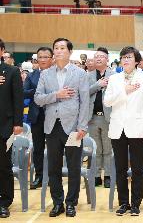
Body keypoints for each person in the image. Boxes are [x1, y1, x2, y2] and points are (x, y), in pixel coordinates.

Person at [34, 38, 89, 217]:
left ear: (69, 52)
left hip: (73, 127)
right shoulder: (45, 74)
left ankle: (71, 203)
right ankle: (58, 203)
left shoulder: (80, 74)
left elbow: (85, 102)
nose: (58, 51)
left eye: (62, 48)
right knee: (54, 168)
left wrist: (82, 126)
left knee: (74, 167)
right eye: (56, 48)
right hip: (51, 126)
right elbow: (38, 98)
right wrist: (56, 95)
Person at [103, 46, 143, 216]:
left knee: (137, 169)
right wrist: (125, 91)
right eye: (123, 57)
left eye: (129, 57)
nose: (125, 60)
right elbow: (107, 101)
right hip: (117, 128)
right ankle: (123, 202)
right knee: (120, 168)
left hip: (137, 128)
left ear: (137, 61)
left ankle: (136, 203)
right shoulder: (114, 78)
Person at [24, 47, 54, 189]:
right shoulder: (32, 75)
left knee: (55, 148)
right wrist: (38, 91)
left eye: (45, 57)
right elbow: (24, 92)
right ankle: (40, 176)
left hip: (54, 115)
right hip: (37, 116)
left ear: (52, 58)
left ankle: (54, 176)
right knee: (38, 148)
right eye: (40, 57)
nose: (42, 60)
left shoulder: (57, 74)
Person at [0, 39, 24, 218]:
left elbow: (18, 99)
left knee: (3, 165)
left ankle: (4, 201)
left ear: (2, 51)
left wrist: (18, 124)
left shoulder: (12, 71)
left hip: (4, 125)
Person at [88, 47, 114, 188]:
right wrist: (97, 85)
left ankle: (108, 175)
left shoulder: (115, 75)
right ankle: (97, 175)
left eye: (102, 56)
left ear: (107, 59)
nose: (98, 58)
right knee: (95, 148)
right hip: (92, 117)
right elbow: (84, 94)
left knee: (108, 148)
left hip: (108, 117)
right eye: (96, 56)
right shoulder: (88, 76)